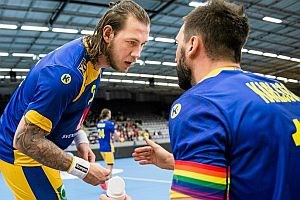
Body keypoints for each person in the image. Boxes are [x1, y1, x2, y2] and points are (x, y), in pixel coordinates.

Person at [133, 0, 300, 199]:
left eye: (178, 43)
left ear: (193, 45)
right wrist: (173, 161)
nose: (176, 54)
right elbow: (258, 164)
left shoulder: (200, 104)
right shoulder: (282, 92)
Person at [0, 0, 150, 199]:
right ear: (107, 34)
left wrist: (81, 139)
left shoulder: (96, 60)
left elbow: (70, 109)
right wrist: (81, 169)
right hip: (24, 157)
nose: (137, 53)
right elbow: (25, 139)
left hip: (42, 150)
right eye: (131, 42)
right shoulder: (66, 74)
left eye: (142, 45)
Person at [97, 108, 116, 190]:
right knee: (110, 165)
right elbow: (114, 134)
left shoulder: (98, 124)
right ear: (108, 114)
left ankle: (107, 182)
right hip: (108, 147)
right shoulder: (109, 124)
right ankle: (106, 183)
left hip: (101, 147)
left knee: (108, 164)